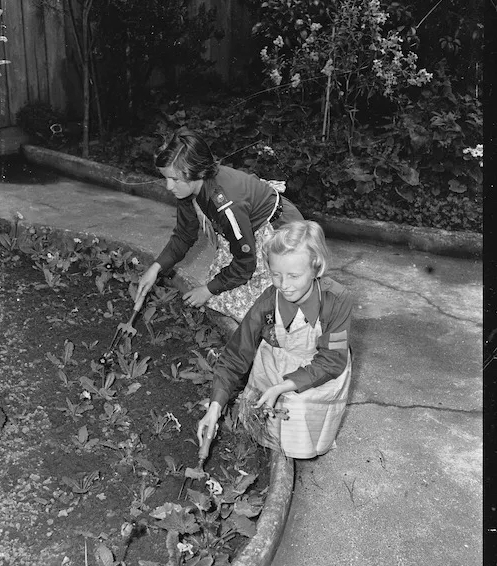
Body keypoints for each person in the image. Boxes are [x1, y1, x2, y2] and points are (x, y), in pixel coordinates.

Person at [197, 220, 353, 460]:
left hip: (321, 368)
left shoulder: (337, 300)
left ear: (316, 268)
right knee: (264, 413)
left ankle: (298, 445)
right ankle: (270, 441)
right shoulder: (270, 300)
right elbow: (237, 353)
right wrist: (215, 405)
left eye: (294, 275)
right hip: (281, 359)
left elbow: (332, 360)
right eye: (276, 275)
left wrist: (283, 387)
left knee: (298, 412)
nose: (284, 285)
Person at [133, 127, 303, 322]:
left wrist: (208, 290)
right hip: (246, 229)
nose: (168, 187)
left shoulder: (225, 204)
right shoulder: (189, 186)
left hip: (280, 233)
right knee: (220, 290)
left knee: (256, 311)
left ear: (196, 172)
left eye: (174, 179)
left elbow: (245, 263)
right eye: (166, 178)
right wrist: (155, 268)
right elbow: (184, 235)